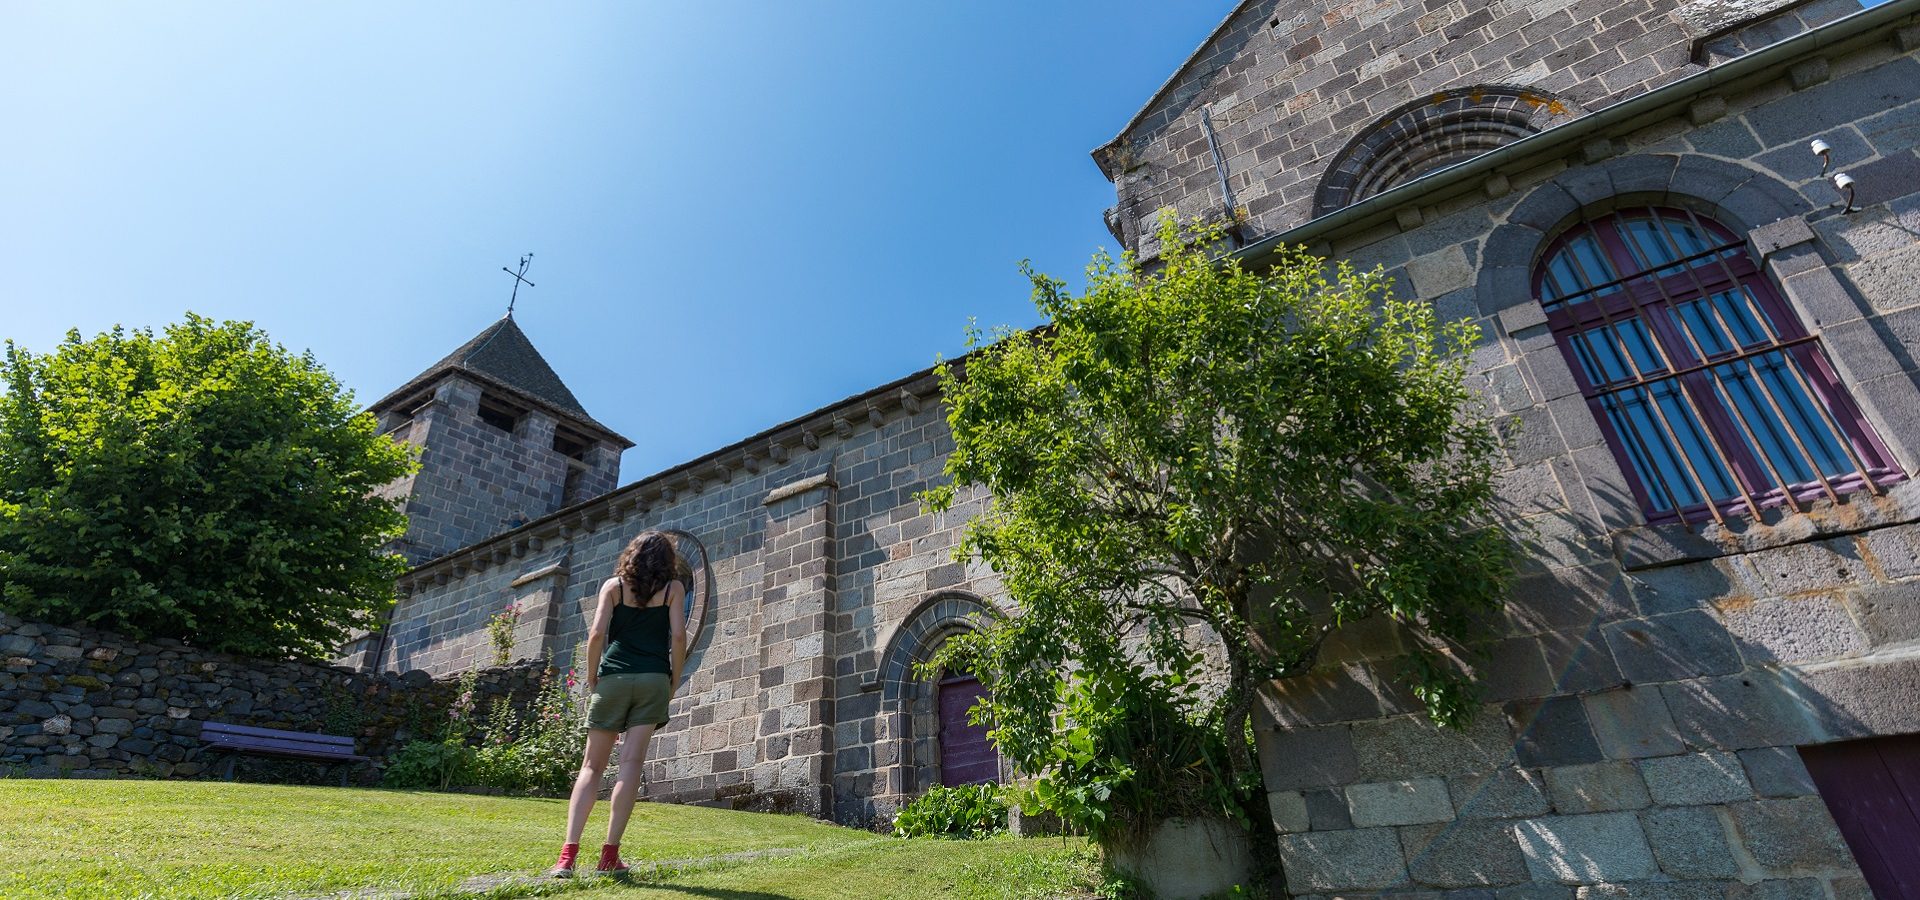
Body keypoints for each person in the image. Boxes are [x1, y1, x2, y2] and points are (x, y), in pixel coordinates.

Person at [549, 531, 688, 878]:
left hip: (613, 678)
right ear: (667, 560)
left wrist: (593, 676)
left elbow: (596, 634)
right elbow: (679, 636)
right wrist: (674, 678)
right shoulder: (673, 589)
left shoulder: (613, 586)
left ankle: (567, 857)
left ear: (632, 555)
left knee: (591, 767)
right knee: (631, 763)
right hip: (654, 678)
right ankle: (609, 855)